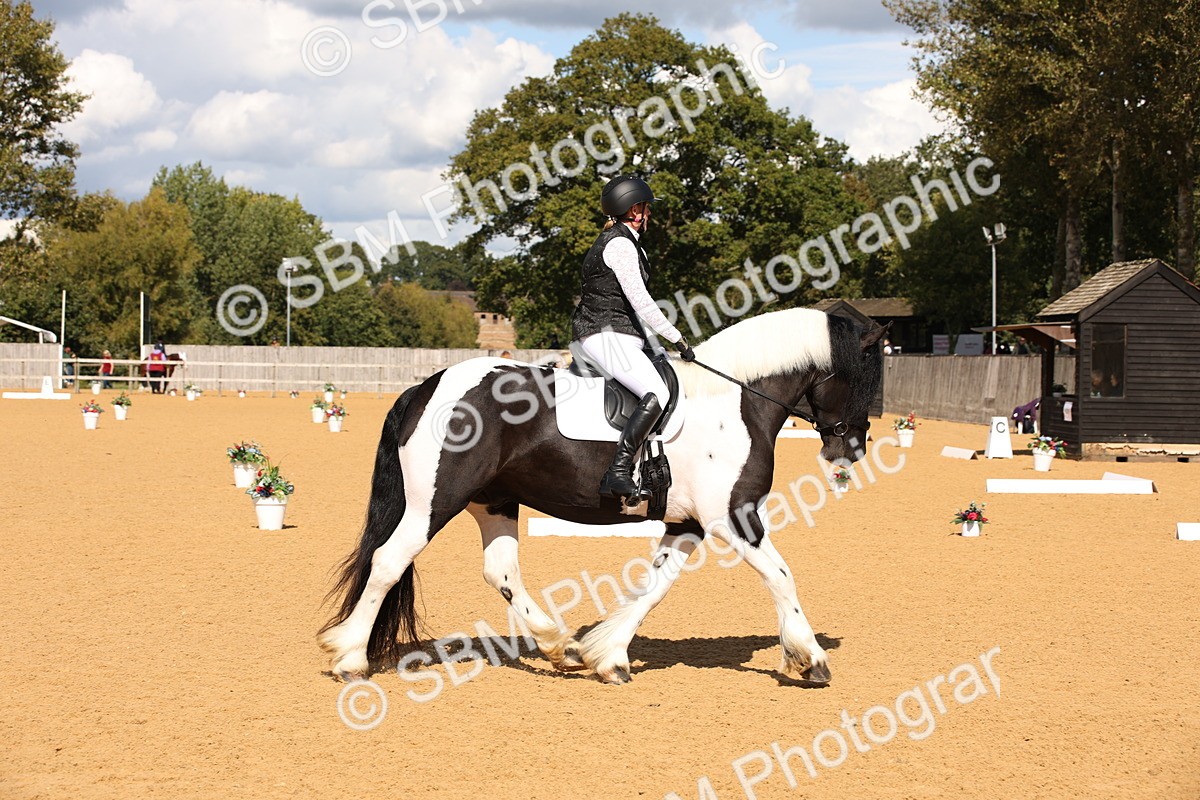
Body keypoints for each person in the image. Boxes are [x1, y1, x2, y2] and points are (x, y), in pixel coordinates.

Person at [570, 174, 695, 502]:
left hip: (618, 334)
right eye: (645, 207)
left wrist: (659, 347)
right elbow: (641, 302)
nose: (648, 213)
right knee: (657, 392)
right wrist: (677, 338)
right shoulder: (621, 245)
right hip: (605, 334)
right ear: (633, 210)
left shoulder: (625, 242)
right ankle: (619, 470)